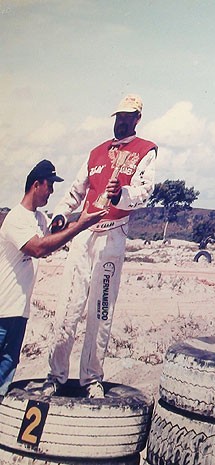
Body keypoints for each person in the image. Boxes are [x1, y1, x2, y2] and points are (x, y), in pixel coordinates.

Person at [42, 94, 158, 399]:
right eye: (118, 116)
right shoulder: (95, 152)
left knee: (101, 309)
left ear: (137, 119)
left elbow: (146, 190)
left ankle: (91, 377)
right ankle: (55, 375)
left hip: (114, 234)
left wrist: (122, 194)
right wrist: (58, 215)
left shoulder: (146, 150)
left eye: (127, 116)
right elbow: (75, 190)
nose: (121, 121)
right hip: (83, 233)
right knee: (69, 306)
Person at [0, 160, 106, 397]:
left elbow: (52, 240)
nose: (51, 192)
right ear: (36, 185)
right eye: (49, 186)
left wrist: (62, 221)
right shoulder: (16, 219)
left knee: (5, 375)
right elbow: (38, 248)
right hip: (2, 312)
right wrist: (80, 225)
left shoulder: (38, 219)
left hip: (18, 312)